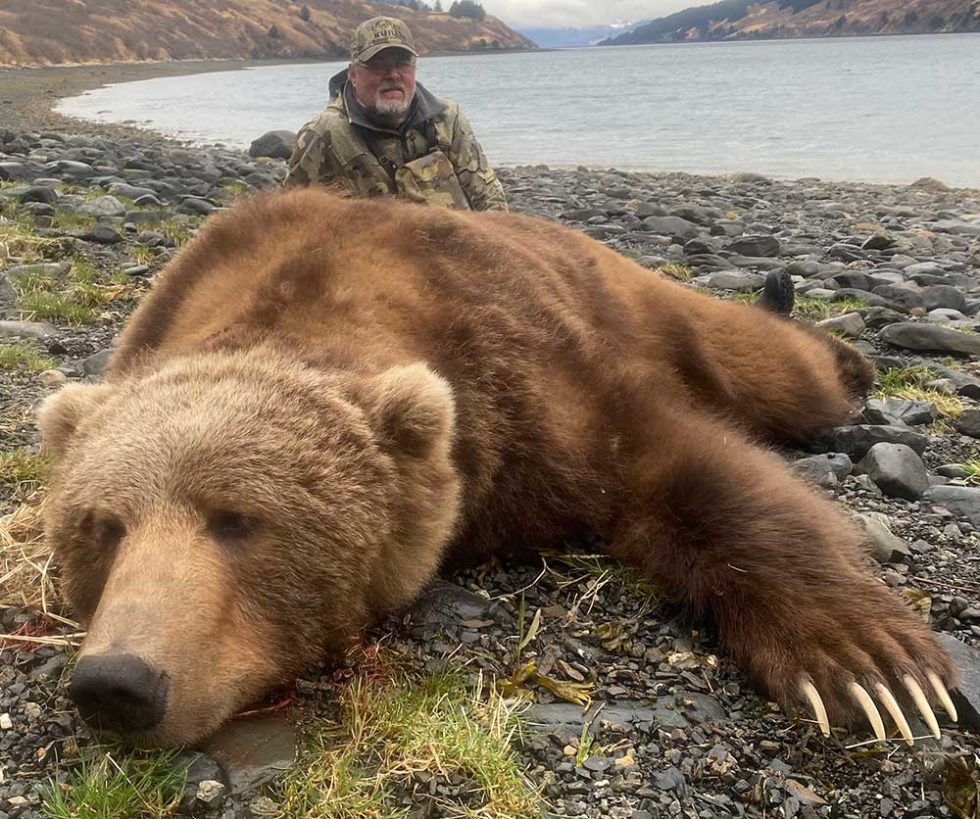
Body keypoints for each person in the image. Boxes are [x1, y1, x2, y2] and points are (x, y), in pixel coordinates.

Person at [284, 16, 507, 211]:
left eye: (403, 64)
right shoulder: (322, 135)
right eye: (378, 65)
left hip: (458, 252)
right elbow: (293, 220)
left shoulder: (449, 118)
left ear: (414, 68)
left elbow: (490, 201)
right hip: (376, 257)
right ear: (353, 74)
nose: (393, 75)